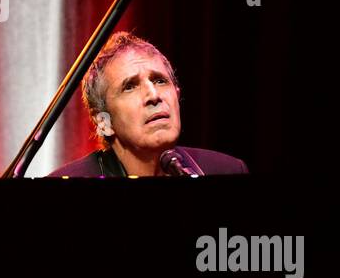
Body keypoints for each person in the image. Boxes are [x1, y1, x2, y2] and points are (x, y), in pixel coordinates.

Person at [48, 30, 247, 177]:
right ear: (103, 122)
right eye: (130, 87)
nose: (153, 95)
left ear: (177, 95)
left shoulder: (227, 170)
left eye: (160, 81)